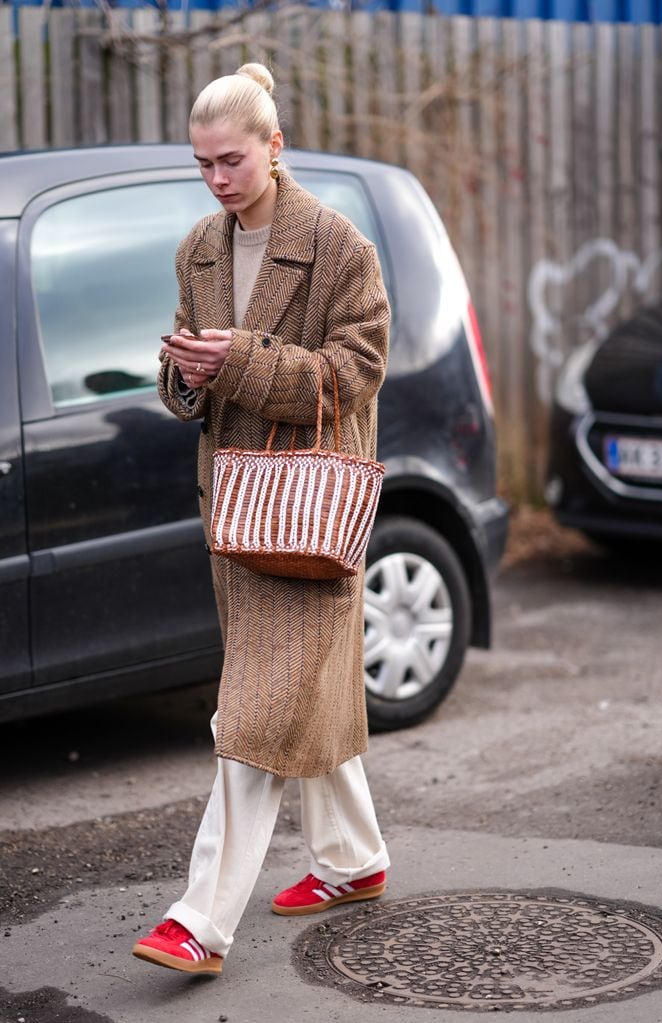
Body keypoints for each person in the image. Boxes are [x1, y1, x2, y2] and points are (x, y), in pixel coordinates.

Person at [131, 62, 391, 976]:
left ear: (275, 148)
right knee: (292, 697)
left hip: (309, 515)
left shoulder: (340, 247)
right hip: (236, 516)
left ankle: (199, 921)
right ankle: (354, 861)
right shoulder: (199, 246)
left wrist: (239, 359)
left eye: (230, 160)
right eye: (201, 163)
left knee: (251, 715)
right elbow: (187, 382)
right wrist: (184, 375)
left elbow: (353, 375)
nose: (215, 179)